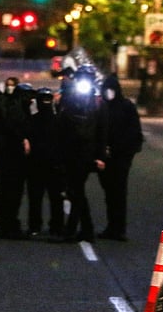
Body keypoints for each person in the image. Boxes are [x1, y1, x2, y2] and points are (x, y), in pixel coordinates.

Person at [54, 65, 106, 243]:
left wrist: (100, 156)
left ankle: (72, 231)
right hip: (70, 150)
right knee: (75, 191)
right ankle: (86, 230)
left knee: (76, 190)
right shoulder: (69, 97)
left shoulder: (97, 101)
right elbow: (61, 124)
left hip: (85, 153)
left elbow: (101, 130)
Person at [96, 75, 143, 241]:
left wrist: (121, 150)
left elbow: (134, 132)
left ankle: (119, 228)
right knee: (110, 193)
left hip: (121, 157)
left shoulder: (126, 107)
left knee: (118, 193)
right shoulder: (102, 106)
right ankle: (112, 226)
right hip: (106, 156)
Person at [0, 76, 30, 239]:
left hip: (7, 156)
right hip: (12, 156)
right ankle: (8, 225)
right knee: (12, 193)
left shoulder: (10, 107)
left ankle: (5, 225)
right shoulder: (15, 109)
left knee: (7, 193)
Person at [26, 87, 64, 238]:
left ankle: (40, 226)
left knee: (45, 198)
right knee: (49, 199)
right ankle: (53, 227)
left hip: (45, 165)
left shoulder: (35, 121)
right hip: (45, 165)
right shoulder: (56, 121)